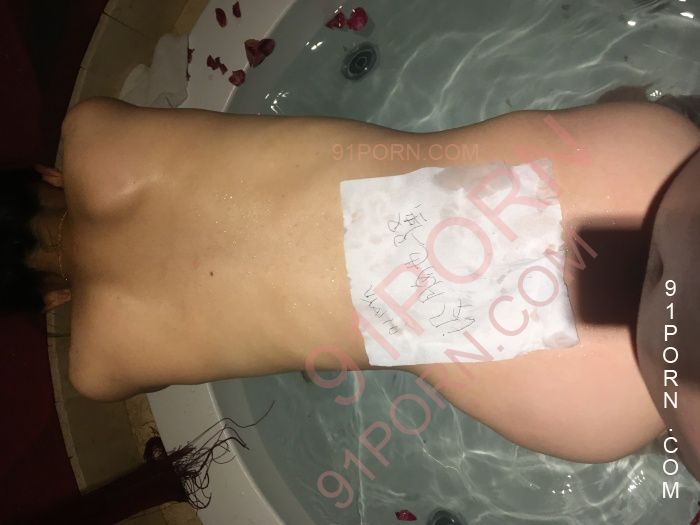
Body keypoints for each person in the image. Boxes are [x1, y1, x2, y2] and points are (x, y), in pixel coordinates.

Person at [1, 97, 698, 478]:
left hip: (574, 390)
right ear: (47, 175)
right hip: (632, 169)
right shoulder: (91, 134)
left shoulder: (97, 363)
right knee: (646, 126)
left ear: (49, 300)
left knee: (662, 396)